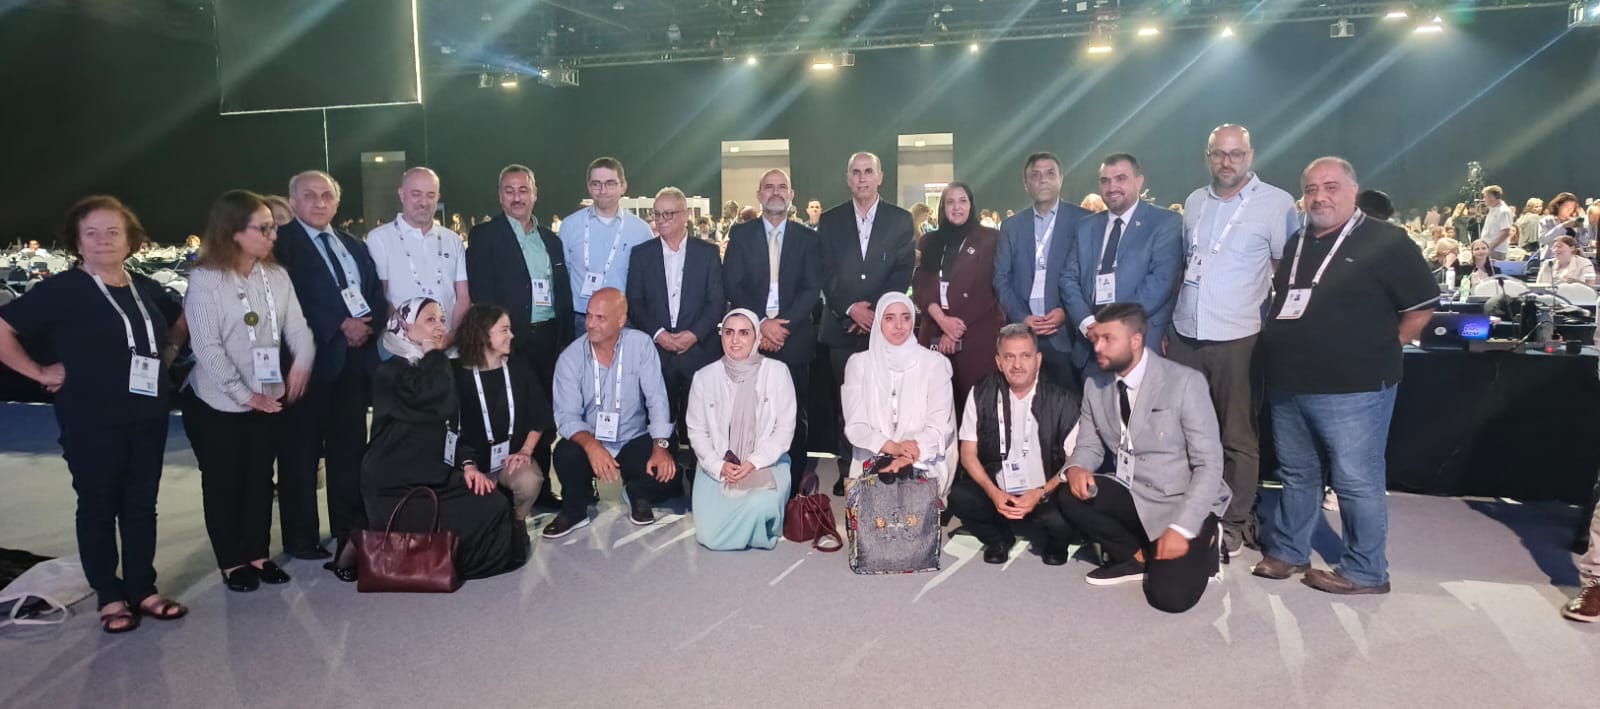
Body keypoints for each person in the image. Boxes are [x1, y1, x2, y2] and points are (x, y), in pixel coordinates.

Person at [0, 196, 188, 632]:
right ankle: (109, 595)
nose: (104, 240)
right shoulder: (64, 289)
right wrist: (38, 371)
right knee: (99, 504)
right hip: (91, 416)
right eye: (92, 233)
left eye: (113, 232)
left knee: (141, 505)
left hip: (148, 412)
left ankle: (143, 589)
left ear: (130, 240)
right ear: (77, 242)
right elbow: (4, 328)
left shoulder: (145, 287)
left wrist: (168, 354)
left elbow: (182, 321)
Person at [1255, 157, 1438, 595]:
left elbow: (1421, 308)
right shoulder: (1298, 241)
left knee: (1356, 480)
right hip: (1290, 384)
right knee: (1297, 473)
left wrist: (1378, 349)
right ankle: (1290, 550)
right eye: (1311, 189)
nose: (1320, 197)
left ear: (1354, 190)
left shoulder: (1386, 240)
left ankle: (1366, 571)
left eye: (1331, 187)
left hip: (1354, 388)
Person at [1170, 124, 1298, 555]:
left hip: (1239, 337)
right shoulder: (1194, 201)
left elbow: (1285, 271)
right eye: (1219, 154)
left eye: (1236, 154)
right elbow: (1188, 264)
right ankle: (1193, 514)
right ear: (1207, 156)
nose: (1227, 162)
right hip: (1187, 334)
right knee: (1186, 432)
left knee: (1237, 437)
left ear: (1250, 155)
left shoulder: (1276, 204)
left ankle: (1234, 522)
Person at [1055, 303, 1228, 613]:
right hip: (1133, 492)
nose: (1097, 347)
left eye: (1108, 339)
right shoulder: (1095, 384)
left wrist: (1183, 528)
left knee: (1169, 599)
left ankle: (1207, 538)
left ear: (1136, 340)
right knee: (1070, 494)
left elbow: (1209, 464)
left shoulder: (1184, 382)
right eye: (1096, 338)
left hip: (1182, 501)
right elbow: (1089, 445)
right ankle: (1135, 557)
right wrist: (1077, 467)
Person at [183, 190, 315, 593]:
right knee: (224, 481)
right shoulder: (205, 280)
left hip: (267, 395)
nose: (273, 235)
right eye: (264, 228)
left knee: (260, 478)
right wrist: (246, 395)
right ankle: (232, 561)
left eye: (273, 227)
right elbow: (206, 348)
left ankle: (258, 554)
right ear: (234, 232)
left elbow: (297, 326)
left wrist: (303, 361)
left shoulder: (276, 276)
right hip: (217, 402)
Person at [362, 297, 529, 580]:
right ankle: (443, 567)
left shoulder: (433, 367)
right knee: (480, 513)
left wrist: (468, 465)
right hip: (396, 486)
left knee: (494, 501)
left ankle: (450, 564)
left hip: (435, 474)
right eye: (430, 320)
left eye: (442, 319)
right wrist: (434, 355)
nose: (440, 327)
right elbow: (431, 398)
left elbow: (450, 427)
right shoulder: (389, 372)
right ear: (405, 326)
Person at [273, 170, 386, 573]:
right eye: (310, 195)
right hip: (307, 363)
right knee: (300, 452)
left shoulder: (353, 244)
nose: (319, 202)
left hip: (353, 363)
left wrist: (367, 325)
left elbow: (373, 292)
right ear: (293, 202)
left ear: (337, 202)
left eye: (327, 196)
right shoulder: (281, 245)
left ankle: (347, 527)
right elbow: (290, 299)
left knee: (349, 450)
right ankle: (301, 537)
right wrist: (339, 325)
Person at [465, 164, 573, 508]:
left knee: (542, 412)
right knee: (511, 411)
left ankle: (540, 487)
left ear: (535, 194)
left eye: (523, 190)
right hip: (508, 340)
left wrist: (566, 340)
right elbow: (481, 293)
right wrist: (495, 339)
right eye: (509, 191)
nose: (517, 197)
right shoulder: (485, 236)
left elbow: (561, 292)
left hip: (548, 338)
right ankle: (505, 484)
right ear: (500, 196)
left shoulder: (551, 240)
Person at [818, 152, 916, 495]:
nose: (862, 178)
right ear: (848, 178)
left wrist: (874, 313)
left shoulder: (900, 220)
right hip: (841, 328)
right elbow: (825, 271)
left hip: (884, 328)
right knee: (847, 404)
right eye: (856, 172)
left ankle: (883, 466)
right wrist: (850, 309)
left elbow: (903, 270)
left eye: (868, 171)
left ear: (880, 176)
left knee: (885, 401)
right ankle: (848, 470)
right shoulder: (830, 220)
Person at [545, 288, 680, 537]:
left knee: (668, 461)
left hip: (632, 437)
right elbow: (566, 416)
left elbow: (657, 398)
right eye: (589, 315)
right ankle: (574, 510)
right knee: (565, 453)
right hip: (591, 439)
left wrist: (660, 446)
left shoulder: (640, 344)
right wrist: (591, 445)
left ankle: (638, 493)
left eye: (600, 318)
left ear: (621, 320)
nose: (590, 324)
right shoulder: (570, 358)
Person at [723, 169, 823, 494]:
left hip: (793, 339)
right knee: (751, 415)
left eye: (782, 187)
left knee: (792, 417)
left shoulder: (808, 238)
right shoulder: (741, 234)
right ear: (759, 194)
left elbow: (812, 289)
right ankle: (752, 480)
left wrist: (780, 326)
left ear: (791, 195)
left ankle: (791, 486)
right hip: (749, 339)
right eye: (769, 187)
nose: (776, 192)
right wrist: (761, 324)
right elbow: (732, 284)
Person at [948, 325, 1080, 565]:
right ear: (999, 362)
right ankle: (999, 539)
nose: (1017, 365)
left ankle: (1056, 543)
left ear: (1038, 360)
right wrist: (993, 492)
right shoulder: (981, 393)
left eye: (1025, 356)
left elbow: (1075, 460)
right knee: (960, 497)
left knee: (1065, 514)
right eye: (1009, 357)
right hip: (999, 490)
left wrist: (1040, 493)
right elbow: (967, 453)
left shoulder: (1063, 399)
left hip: (1044, 492)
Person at [626, 187, 725, 470]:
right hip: (657, 353)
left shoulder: (707, 253)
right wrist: (659, 335)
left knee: (701, 424)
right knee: (659, 423)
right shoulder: (641, 254)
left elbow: (717, 302)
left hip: (699, 351)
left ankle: (700, 479)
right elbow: (635, 302)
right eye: (657, 215)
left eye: (668, 214)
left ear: (685, 216)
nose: (662, 220)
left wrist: (694, 334)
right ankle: (661, 480)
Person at [1061, 153, 1183, 379]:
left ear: (1139, 181)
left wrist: (1113, 327)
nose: (1111, 187)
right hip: (1091, 347)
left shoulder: (1165, 223)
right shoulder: (1086, 227)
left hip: (1138, 346)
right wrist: (1088, 324)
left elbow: (1160, 283)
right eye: (1105, 181)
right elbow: (1069, 279)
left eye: (1120, 178)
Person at [685, 309, 797, 550]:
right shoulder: (704, 377)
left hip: (766, 463)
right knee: (709, 536)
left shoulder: (777, 372)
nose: (735, 340)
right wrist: (718, 466)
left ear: (757, 338)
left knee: (759, 505)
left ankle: (761, 523)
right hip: (716, 466)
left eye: (744, 333)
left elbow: (784, 430)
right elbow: (697, 431)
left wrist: (754, 462)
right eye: (729, 332)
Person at [841, 292, 956, 494]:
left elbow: (940, 425)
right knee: (878, 500)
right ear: (878, 322)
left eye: (906, 317)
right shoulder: (859, 364)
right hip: (873, 457)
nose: (899, 326)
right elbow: (855, 426)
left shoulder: (935, 364)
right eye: (889, 318)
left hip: (923, 457)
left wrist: (910, 453)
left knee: (911, 499)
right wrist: (893, 448)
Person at [995, 152, 1091, 388]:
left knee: (1068, 403)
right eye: (1035, 175)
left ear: (1061, 178)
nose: (1043, 179)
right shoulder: (1011, 226)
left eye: (1050, 173)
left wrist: (1066, 312)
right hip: (1023, 334)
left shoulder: (1084, 221)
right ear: (1026, 184)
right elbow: (1001, 279)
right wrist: (1022, 317)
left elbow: (1089, 278)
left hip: (1066, 334)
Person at [912, 182, 1003, 417]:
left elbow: (988, 289)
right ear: (942, 207)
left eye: (963, 201)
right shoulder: (929, 241)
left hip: (975, 335)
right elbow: (921, 283)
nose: (957, 207)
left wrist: (954, 330)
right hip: (935, 330)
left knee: (976, 411)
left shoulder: (990, 239)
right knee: (934, 409)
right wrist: (943, 321)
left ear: (971, 205)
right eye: (950, 202)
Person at [452, 304, 551, 520]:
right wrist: (468, 466)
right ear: (482, 335)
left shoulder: (519, 367)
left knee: (529, 481)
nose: (511, 335)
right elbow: (449, 431)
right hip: (469, 463)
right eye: (504, 330)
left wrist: (525, 451)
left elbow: (540, 415)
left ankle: (517, 522)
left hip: (510, 458)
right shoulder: (456, 376)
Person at [365, 167, 471, 335]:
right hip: (400, 343)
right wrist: (411, 335)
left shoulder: (453, 240)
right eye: (416, 194)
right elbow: (381, 296)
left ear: (438, 197)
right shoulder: (379, 238)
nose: (423, 202)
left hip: (447, 344)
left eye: (431, 195)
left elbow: (463, 296)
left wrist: (452, 336)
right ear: (402, 194)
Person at [560, 157, 653, 334]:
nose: (603, 190)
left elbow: (647, 281)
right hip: (583, 321)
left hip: (625, 321)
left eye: (610, 183)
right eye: (596, 184)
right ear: (589, 187)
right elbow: (565, 272)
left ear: (623, 186)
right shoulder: (570, 226)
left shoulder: (641, 230)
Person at [1480, 185, 1515, 259]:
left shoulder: (1503, 211)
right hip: (1488, 248)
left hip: (1496, 250)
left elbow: (1505, 232)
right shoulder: (1492, 209)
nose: (1483, 199)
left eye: (1485, 197)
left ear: (1492, 197)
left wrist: (1490, 248)